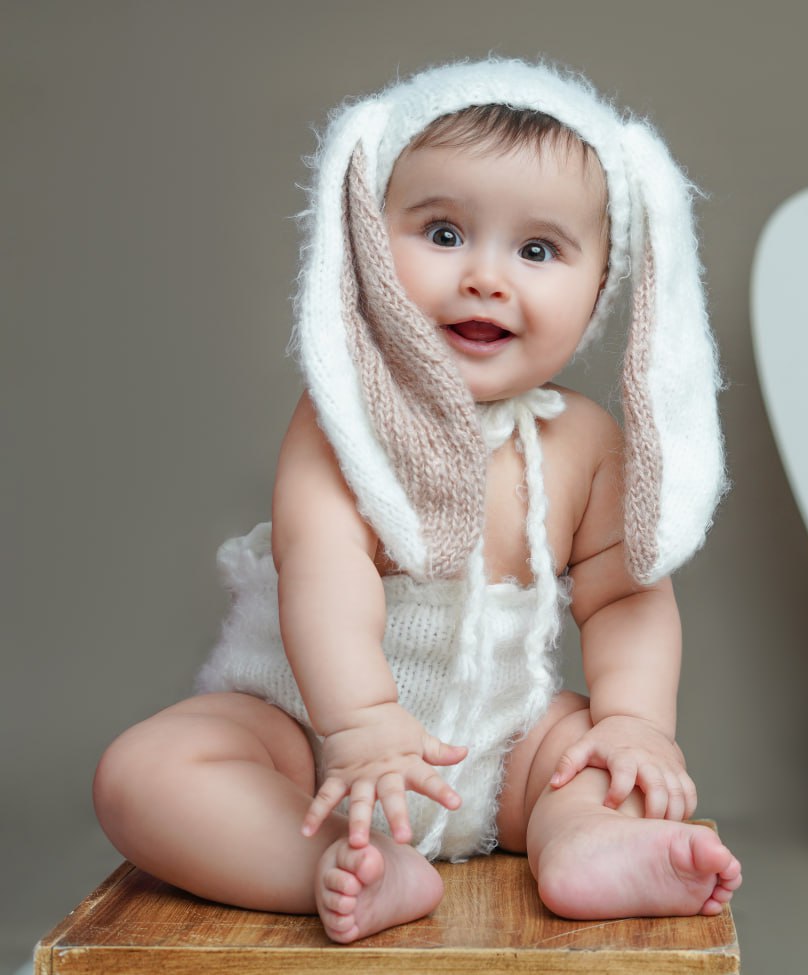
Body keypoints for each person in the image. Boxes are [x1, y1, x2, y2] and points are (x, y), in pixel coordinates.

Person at [92, 58, 740, 943]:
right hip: (309, 742)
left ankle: (582, 839)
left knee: (583, 751)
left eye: (538, 250)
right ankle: (330, 861)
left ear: (601, 287)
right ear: (368, 237)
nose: (484, 276)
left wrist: (635, 724)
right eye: (442, 233)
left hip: (499, 743)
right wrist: (359, 724)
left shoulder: (586, 444)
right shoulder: (343, 417)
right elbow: (321, 563)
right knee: (149, 770)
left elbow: (627, 594)